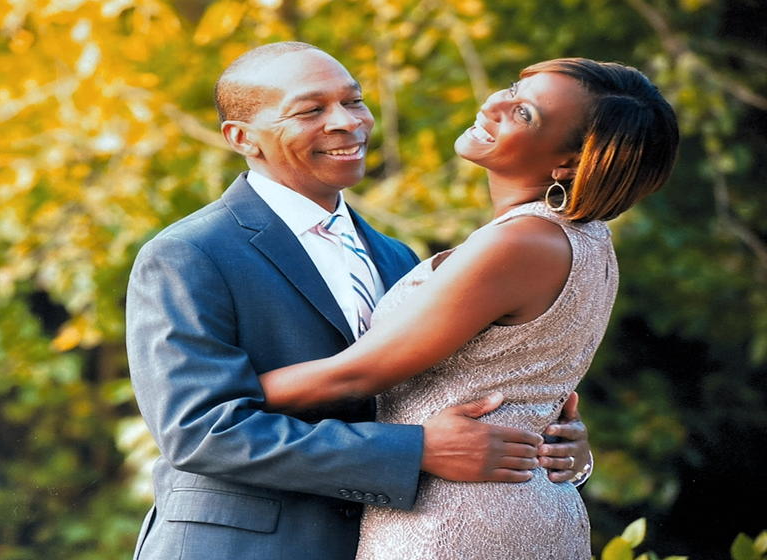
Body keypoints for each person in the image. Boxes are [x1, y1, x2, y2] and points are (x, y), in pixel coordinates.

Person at [126, 42, 593, 560]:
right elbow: (199, 431)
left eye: (354, 101)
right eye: (311, 110)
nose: (347, 122)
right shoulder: (186, 254)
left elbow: (433, 391)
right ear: (243, 138)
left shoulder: (398, 257)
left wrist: (544, 439)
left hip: (387, 540)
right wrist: (416, 451)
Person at [258, 57, 680, 559]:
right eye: (511, 88)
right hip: (516, 503)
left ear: (566, 165)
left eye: (525, 114)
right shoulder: (582, 240)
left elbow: (355, 375)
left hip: (457, 518)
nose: (494, 103)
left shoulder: (524, 243)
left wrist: (206, 401)